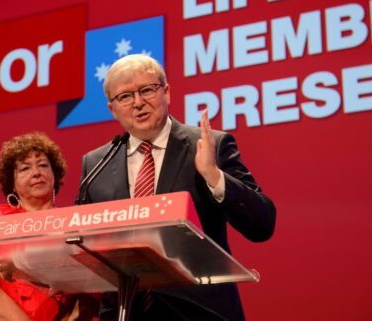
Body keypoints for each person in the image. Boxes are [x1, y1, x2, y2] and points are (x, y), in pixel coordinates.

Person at [79, 54, 276, 321]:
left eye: (147, 90)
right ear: (113, 109)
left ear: (167, 91)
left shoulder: (209, 144)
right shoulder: (96, 163)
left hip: (200, 312)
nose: (138, 103)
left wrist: (214, 176)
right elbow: (85, 243)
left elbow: (262, 224)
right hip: (126, 312)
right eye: (125, 97)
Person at [0, 132, 98, 321]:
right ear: (12, 184)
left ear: (55, 175)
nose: (37, 173)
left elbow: (90, 291)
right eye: (25, 168)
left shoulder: (74, 225)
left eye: (43, 165)